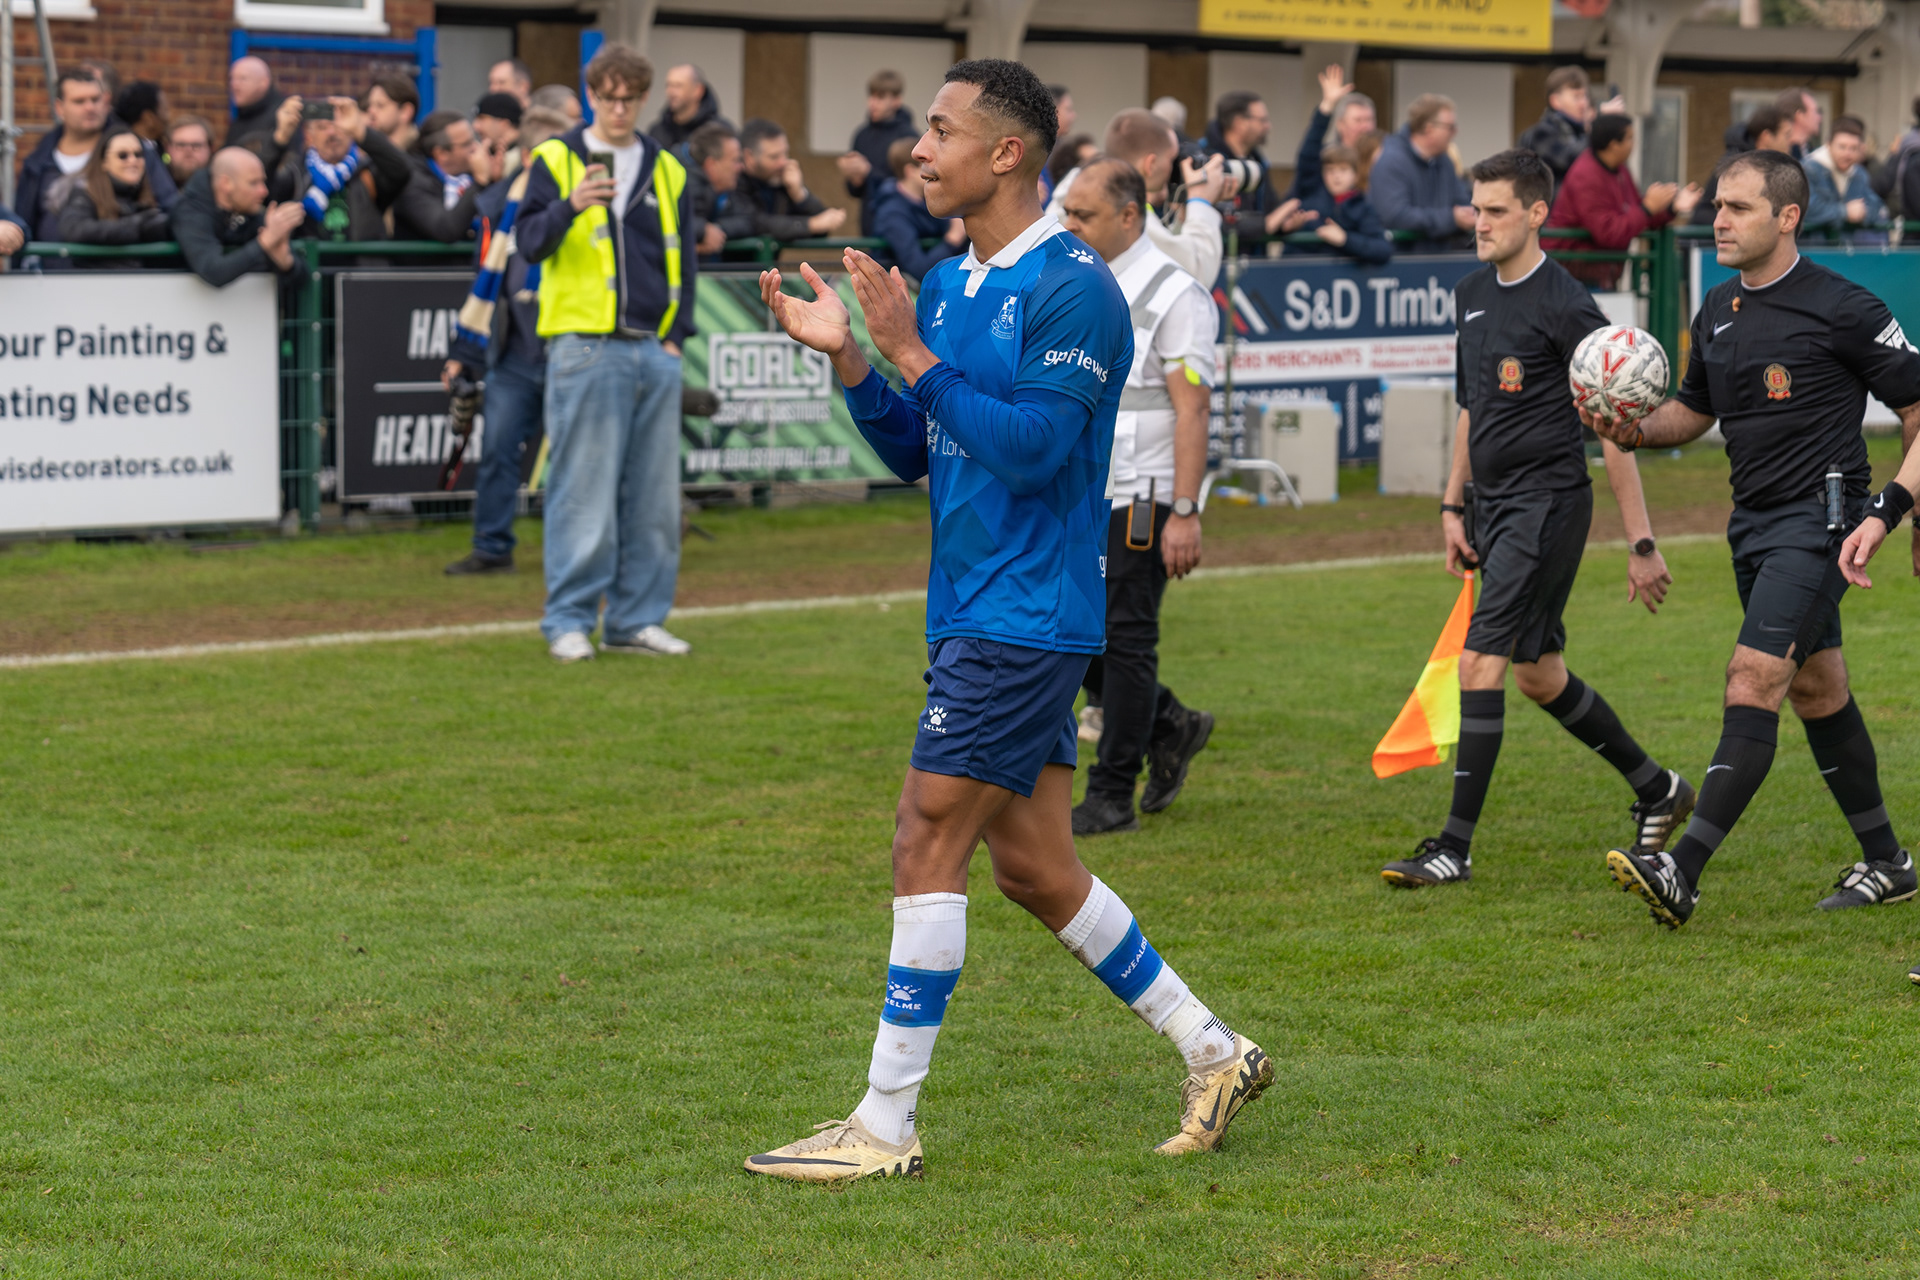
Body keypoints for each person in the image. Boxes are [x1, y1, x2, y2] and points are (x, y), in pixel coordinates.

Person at [747, 56, 1269, 1184]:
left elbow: (1032, 451)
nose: (917, 150)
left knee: (923, 832)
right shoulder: (939, 283)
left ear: (1007, 152)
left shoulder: (1076, 286)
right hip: (972, 606)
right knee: (1036, 868)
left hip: (1027, 614)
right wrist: (851, 354)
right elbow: (918, 449)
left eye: (937, 131)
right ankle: (1215, 1047)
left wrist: (908, 352)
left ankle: (885, 1125)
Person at [1588, 148, 1920, 930]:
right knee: (1816, 689)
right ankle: (1890, 862)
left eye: (1738, 207)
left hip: (1825, 520)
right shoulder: (1717, 309)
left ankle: (1682, 868)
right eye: (1718, 206)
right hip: (1754, 525)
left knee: (1753, 678)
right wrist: (1627, 427)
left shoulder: (1846, 306)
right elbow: (1692, 415)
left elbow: (1918, 412)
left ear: (1788, 216)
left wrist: (1893, 510)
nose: (1720, 220)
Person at [1380, 148, 1690, 891]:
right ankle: (1659, 788)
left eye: (1493, 211)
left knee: (1481, 661)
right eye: (1475, 209)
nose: (1478, 223)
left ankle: (1453, 846)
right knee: (1538, 676)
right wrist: (1454, 503)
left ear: (1536, 214)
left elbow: (1613, 427)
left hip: (1548, 503)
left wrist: (1641, 541)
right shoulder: (1470, 294)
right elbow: (1471, 407)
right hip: (1492, 506)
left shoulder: (1568, 307)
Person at [513, 42, 696, 662]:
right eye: (607, 97)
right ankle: (567, 620)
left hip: (653, 348)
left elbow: (685, 260)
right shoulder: (555, 159)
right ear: (591, 95)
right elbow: (529, 243)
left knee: (653, 501)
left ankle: (635, 620)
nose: (618, 109)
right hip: (583, 346)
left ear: (642, 99)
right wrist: (570, 206)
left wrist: (677, 337)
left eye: (629, 98)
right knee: (581, 493)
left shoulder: (667, 167)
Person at [1056, 158, 1218, 834]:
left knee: (1123, 641)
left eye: (1082, 216)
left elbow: (1193, 410)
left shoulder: (1175, 294)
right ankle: (1171, 722)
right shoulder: (1076, 280)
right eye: (1066, 212)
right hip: (1082, 490)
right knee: (1074, 632)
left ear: (1130, 215)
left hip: (1144, 497)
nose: (1067, 226)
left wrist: (1184, 511)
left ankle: (1111, 793)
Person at [441, 106, 573, 577]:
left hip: (572, 348)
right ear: (534, 155)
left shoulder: (586, 201)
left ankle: (579, 552)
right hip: (516, 351)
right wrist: (463, 353)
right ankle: (492, 548)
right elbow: (487, 276)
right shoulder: (508, 200)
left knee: (582, 458)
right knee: (497, 449)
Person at [1046, 108, 1227, 286]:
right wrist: (1201, 201)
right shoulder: (1121, 210)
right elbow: (1194, 273)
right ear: (1151, 164)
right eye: (1172, 159)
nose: (1174, 169)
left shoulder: (1074, 189)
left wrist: (1181, 215)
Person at [1546, 113, 1699, 289]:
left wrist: (1671, 208)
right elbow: (1608, 233)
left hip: (1598, 273)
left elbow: (1636, 213)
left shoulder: (1619, 170)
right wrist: (1648, 207)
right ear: (1614, 145)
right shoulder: (1585, 176)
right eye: (1630, 138)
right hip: (1573, 276)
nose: (1634, 144)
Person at [1269, 65, 1391, 265]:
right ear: (1341, 124)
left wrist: (1345, 239)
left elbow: (1381, 248)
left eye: (1369, 120)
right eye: (1358, 120)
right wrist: (1327, 106)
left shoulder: (1361, 203)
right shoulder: (1314, 181)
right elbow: (1308, 153)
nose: (1336, 176)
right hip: (1299, 275)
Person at [277, 95, 412, 241]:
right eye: (322, 127)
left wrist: (362, 132)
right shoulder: (296, 173)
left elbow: (402, 170)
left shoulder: (367, 172)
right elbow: (263, 189)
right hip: (310, 262)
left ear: (350, 132)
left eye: (338, 125)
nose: (332, 133)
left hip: (363, 262)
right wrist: (280, 138)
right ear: (309, 135)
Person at [171, 147, 308, 291]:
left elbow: (304, 281)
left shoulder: (251, 210)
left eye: (263, 182)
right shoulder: (190, 212)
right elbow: (213, 271)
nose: (264, 191)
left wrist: (286, 263)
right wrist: (264, 243)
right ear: (226, 184)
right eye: (253, 183)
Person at [1369, 93, 1473, 253]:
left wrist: (1468, 214)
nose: (1455, 132)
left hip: (1439, 261)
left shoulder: (1443, 161)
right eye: (1450, 127)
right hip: (1403, 266)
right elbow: (1395, 216)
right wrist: (1451, 219)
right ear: (1428, 128)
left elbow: (1461, 200)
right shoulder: (1391, 161)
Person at [16, 69, 112, 240]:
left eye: (95, 99)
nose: (90, 107)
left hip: (110, 264)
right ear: (59, 108)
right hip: (49, 264)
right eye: (79, 101)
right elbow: (24, 221)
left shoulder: (127, 152)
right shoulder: (38, 162)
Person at [56, 126, 170, 253]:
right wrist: (137, 226)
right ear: (104, 162)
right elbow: (75, 230)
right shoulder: (84, 194)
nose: (133, 161)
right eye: (123, 156)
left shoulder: (150, 194)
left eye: (138, 154)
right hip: (99, 272)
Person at [866, 136, 965, 282]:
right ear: (910, 171)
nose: (936, 168)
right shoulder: (892, 213)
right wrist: (953, 239)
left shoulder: (927, 201)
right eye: (926, 163)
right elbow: (918, 268)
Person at [836, 69, 921, 233]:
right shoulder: (862, 135)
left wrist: (868, 172)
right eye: (871, 96)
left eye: (880, 97)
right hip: (870, 224)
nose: (872, 103)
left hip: (902, 224)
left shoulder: (909, 136)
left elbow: (910, 186)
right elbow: (855, 192)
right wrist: (855, 178)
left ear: (896, 100)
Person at [737, 118, 845, 240]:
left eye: (785, 153)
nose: (783, 162)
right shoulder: (733, 180)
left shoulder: (779, 180)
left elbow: (823, 226)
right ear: (749, 156)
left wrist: (799, 194)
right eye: (774, 157)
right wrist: (810, 224)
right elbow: (755, 224)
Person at [393, 109, 488, 243]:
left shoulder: (468, 176)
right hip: (428, 264)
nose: (476, 148)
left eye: (474, 140)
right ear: (442, 154)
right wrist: (479, 182)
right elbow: (446, 229)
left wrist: (495, 180)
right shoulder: (412, 182)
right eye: (466, 144)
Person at [1202, 90, 1282, 247]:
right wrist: (1263, 225)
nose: (1268, 126)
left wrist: (1283, 224)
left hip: (1256, 265)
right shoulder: (1205, 160)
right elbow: (1208, 221)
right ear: (1239, 123)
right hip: (1218, 265)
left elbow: (1270, 211)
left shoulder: (1258, 162)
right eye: (1263, 120)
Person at [1802, 114, 1886, 244]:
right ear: (1828, 145)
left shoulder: (1859, 173)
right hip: (1814, 250)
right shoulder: (1809, 169)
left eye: (1853, 148)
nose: (1847, 154)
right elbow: (1808, 210)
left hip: (1846, 251)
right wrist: (1845, 212)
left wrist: (1862, 213)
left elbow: (1876, 205)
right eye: (1842, 147)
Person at [1517, 66, 1596, 189]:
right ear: (1555, 101)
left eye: (1585, 96)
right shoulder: (1543, 133)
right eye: (1576, 97)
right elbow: (1571, 159)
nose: (1583, 104)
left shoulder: (1580, 132)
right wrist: (1598, 131)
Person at [685, 122, 747, 257]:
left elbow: (748, 220)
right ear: (711, 164)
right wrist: (702, 231)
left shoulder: (728, 188)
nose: (741, 167)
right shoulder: (685, 186)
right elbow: (673, 223)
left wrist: (716, 229)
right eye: (735, 160)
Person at [648, 63, 730, 151]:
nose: (671, 92)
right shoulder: (657, 132)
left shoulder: (720, 132)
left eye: (678, 86)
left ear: (698, 90)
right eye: (668, 85)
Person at [225, 56, 286, 152]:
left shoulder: (282, 116)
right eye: (232, 79)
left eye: (243, 78)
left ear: (263, 83)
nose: (234, 85)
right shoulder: (245, 113)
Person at [365, 72, 420, 154]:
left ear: (406, 111)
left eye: (380, 105)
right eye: (370, 105)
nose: (371, 111)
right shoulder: (371, 156)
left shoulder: (420, 156)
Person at [474, 92, 524, 180]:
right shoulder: (484, 155)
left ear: (504, 124)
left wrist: (482, 180)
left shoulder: (525, 157)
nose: (475, 126)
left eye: (482, 119)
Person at [165, 116, 215, 187]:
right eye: (181, 145)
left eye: (196, 145)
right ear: (168, 148)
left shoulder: (221, 188)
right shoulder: (154, 183)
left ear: (210, 149)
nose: (188, 150)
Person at [113, 81, 166, 146]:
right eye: (165, 109)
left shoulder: (158, 147)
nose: (168, 117)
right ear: (148, 118)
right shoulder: (128, 150)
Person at [1776, 86, 1822, 161]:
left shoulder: (1810, 153)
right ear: (1800, 115)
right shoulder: (1780, 158)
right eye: (1815, 111)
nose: (1820, 118)